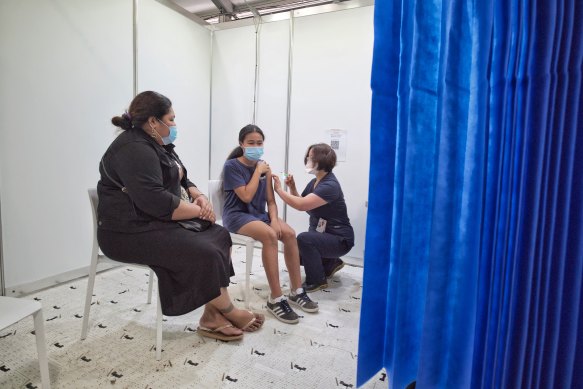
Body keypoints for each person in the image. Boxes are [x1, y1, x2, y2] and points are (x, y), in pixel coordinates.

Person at [97, 91, 263, 342]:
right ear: (154, 121)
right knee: (204, 250)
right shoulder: (133, 148)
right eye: (171, 119)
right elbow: (157, 202)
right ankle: (228, 310)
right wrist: (201, 210)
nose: (174, 125)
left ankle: (211, 314)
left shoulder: (158, 145)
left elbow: (182, 178)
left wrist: (199, 196)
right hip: (127, 232)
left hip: (154, 222)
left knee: (218, 235)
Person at [221, 124, 319, 324]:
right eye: (251, 143)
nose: (256, 146)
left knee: (289, 233)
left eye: (259, 143)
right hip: (237, 216)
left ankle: (296, 290)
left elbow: (272, 202)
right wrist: (258, 171)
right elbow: (247, 196)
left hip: (259, 215)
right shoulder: (232, 166)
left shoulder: (265, 167)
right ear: (241, 144)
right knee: (270, 236)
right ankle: (275, 298)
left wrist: (274, 220)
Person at [272, 143, 354, 292]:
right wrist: (292, 188)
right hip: (325, 234)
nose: (307, 160)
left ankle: (317, 280)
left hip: (340, 239)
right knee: (297, 251)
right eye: (308, 157)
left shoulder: (330, 185)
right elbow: (304, 202)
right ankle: (330, 263)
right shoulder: (316, 181)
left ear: (321, 161)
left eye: (310, 158)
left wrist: (278, 190)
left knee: (304, 240)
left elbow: (301, 205)